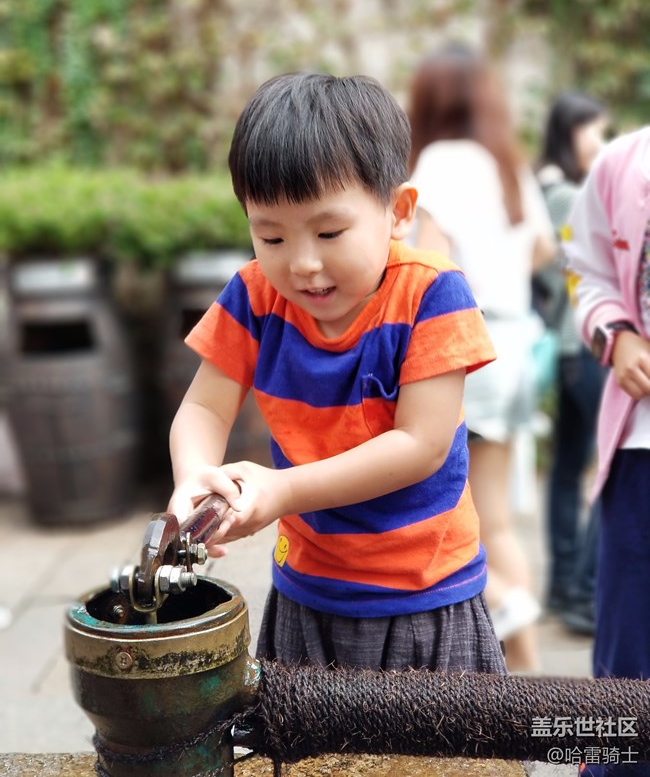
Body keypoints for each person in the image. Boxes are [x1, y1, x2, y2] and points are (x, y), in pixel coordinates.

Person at [166, 71, 506, 675]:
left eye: (329, 232)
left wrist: (282, 490)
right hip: (307, 592)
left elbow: (421, 447)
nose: (302, 263)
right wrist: (195, 478)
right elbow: (204, 408)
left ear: (397, 211)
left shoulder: (432, 294)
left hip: (423, 597)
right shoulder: (254, 297)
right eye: (269, 235)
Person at [407, 44, 556, 672]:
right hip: (521, 342)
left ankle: (507, 610)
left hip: (471, 344)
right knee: (494, 515)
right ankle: (526, 669)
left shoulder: (439, 160)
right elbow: (546, 247)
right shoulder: (505, 161)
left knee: (448, 510)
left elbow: (434, 261)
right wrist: (501, 275)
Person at [565, 126, 650, 776]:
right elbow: (586, 268)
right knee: (626, 660)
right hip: (641, 453)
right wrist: (616, 333)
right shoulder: (624, 163)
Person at [535, 91, 610, 635]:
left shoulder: (545, 188)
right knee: (608, 465)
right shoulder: (568, 194)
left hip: (567, 348)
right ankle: (581, 590)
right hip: (587, 345)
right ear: (570, 131)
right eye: (593, 132)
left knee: (567, 468)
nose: (600, 143)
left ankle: (565, 586)